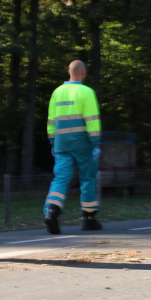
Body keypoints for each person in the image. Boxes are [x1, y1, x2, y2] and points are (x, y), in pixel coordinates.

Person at [44, 60, 102, 233]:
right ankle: (89, 218)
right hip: (82, 143)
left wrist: (53, 141)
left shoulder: (57, 92)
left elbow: (51, 120)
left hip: (62, 143)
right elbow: (92, 120)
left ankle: (51, 212)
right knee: (87, 179)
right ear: (83, 72)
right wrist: (96, 143)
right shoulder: (86, 92)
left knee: (60, 179)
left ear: (69, 72)